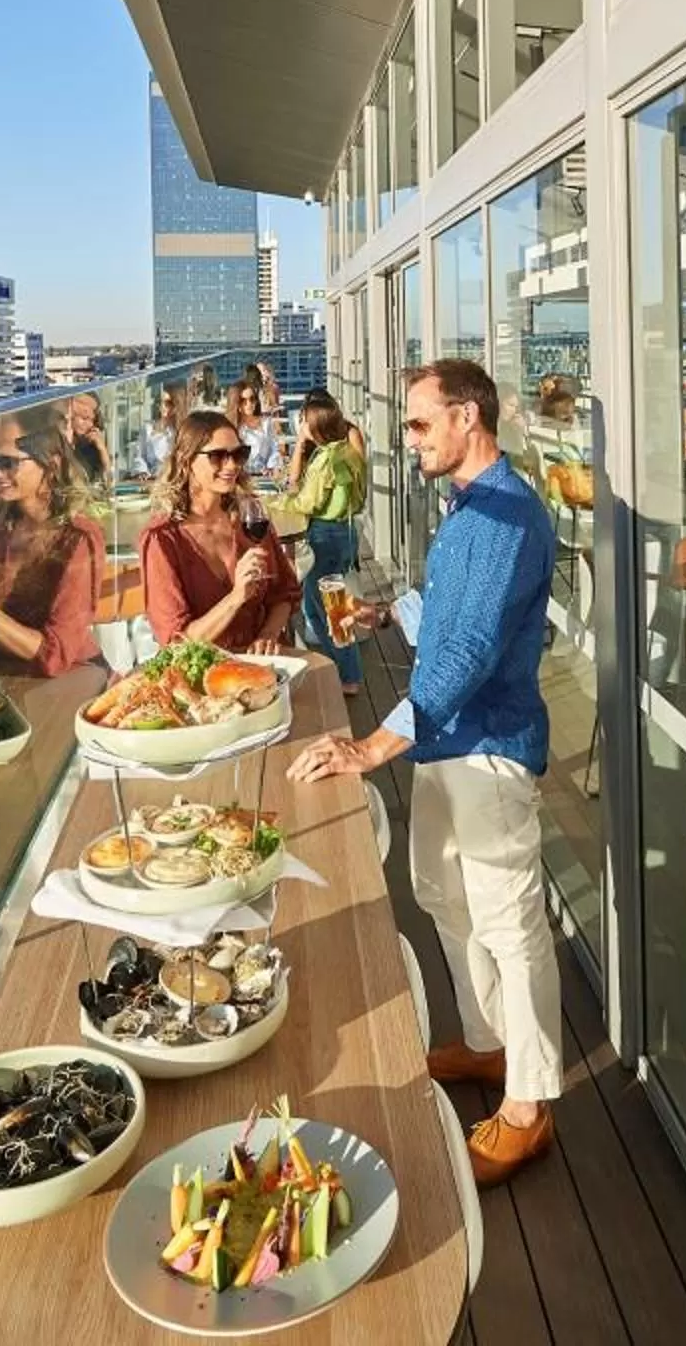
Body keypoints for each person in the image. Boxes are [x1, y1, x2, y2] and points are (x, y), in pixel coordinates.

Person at [290, 359, 560, 1186]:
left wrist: (373, 746)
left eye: (418, 423)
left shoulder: (504, 516)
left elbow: (471, 650)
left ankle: (529, 1106)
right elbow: (453, 611)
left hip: (488, 746)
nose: (407, 439)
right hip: (448, 742)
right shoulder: (470, 505)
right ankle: (489, 1044)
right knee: (443, 893)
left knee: (510, 922)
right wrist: (392, 613)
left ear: (468, 417)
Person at [0, 429, 106, 678]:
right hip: (8, 680)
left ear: (51, 465)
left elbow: (55, 655)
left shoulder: (77, 539)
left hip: (72, 681)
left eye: (9, 463)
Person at [143, 409, 299, 651]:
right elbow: (177, 642)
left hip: (264, 662)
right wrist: (236, 597)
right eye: (217, 456)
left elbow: (284, 593)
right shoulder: (163, 539)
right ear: (186, 460)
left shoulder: (249, 517)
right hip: (205, 668)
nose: (232, 465)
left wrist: (268, 634)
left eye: (238, 454)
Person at [278, 389, 367, 696]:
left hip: (324, 536)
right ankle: (339, 669)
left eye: (304, 421)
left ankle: (349, 675)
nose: (300, 424)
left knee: (331, 610)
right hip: (344, 532)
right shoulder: (346, 452)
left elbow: (308, 502)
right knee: (315, 608)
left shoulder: (325, 460)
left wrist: (276, 504)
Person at [59, 390, 115, 496]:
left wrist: (103, 450)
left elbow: (109, 484)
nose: (89, 424)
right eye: (84, 418)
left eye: (92, 420)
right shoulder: (59, 447)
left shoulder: (90, 448)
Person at [231, 380, 284, 474]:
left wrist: (271, 467)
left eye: (252, 399)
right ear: (236, 402)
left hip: (265, 476)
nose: (249, 404)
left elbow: (274, 448)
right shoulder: (232, 428)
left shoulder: (266, 423)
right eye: (243, 400)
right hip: (240, 476)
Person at [135, 383, 185, 477]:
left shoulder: (181, 430)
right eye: (160, 402)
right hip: (152, 478)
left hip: (173, 477)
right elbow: (140, 455)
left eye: (168, 403)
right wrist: (143, 471)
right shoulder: (148, 428)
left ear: (176, 405)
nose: (162, 407)